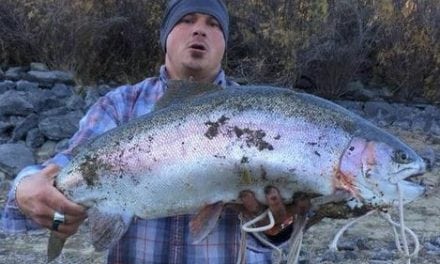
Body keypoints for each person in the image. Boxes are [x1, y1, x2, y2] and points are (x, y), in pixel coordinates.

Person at [2, 0, 296, 263]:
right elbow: (67, 166)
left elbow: (282, 233)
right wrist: (25, 189)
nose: (199, 30)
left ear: (225, 42)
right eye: (187, 19)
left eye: (213, 23)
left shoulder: (261, 113)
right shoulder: (119, 106)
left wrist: (278, 228)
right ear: (165, 34)